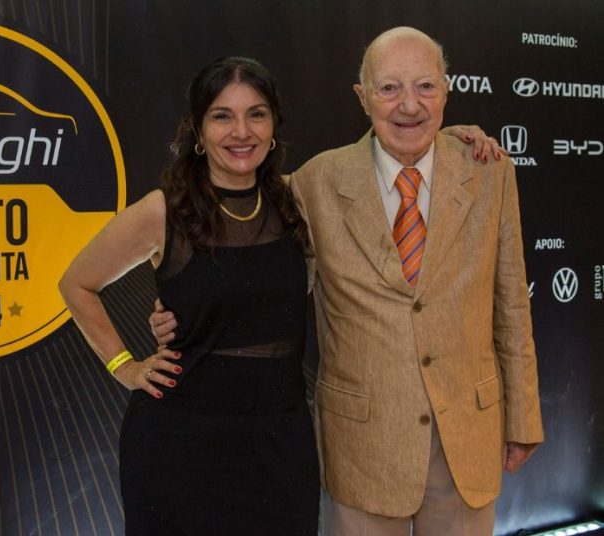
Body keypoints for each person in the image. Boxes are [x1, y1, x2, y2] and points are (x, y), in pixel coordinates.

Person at [150, 28, 542, 536]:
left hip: (468, 440)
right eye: (389, 88)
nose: (409, 105)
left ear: (447, 90)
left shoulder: (490, 172)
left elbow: (512, 305)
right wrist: (179, 311)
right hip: (362, 449)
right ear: (362, 97)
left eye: (425, 86)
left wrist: (523, 419)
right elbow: (243, 256)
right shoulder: (315, 182)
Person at [60, 56, 320, 535]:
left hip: (281, 446)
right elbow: (76, 284)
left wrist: (456, 140)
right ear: (199, 130)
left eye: (256, 114)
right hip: (179, 449)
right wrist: (125, 366)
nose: (241, 131)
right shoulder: (163, 212)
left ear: (273, 127)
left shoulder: (296, 199)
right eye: (222, 116)